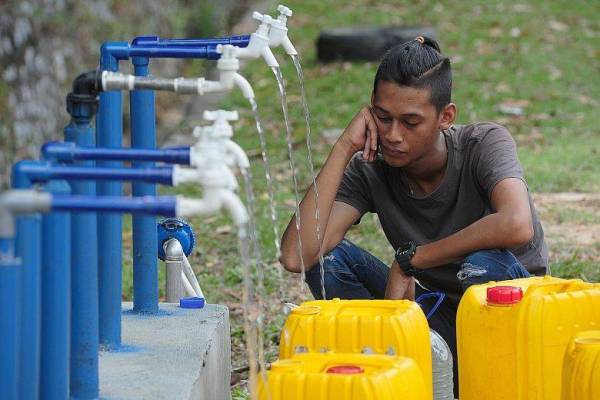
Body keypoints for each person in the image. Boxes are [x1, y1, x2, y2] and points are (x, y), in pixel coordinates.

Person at [279, 36, 548, 394]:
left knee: (484, 264)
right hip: (435, 313)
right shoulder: (370, 169)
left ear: (445, 117)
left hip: (512, 317)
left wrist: (412, 260)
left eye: (410, 122)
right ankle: (411, 366)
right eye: (382, 117)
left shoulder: (484, 144)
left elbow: (515, 224)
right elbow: (297, 255)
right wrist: (344, 148)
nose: (393, 135)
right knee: (328, 261)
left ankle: (483, 381)